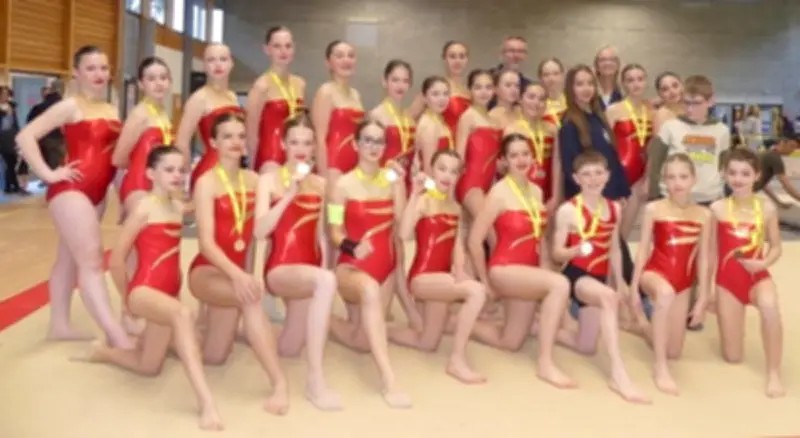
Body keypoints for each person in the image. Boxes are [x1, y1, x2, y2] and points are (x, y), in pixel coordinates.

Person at [82, 145, 223, 430]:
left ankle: (104, 353)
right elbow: (117, 260)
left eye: (182, 170)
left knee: (149, 367)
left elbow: (198, 226)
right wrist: (127, 300)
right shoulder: (143, 207)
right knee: (183, 315)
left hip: (168, 293)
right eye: (169, 170)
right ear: (150, 173)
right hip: (144, 290)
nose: (177, 175)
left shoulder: (177, 207)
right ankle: (206, 403)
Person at [16, 45, 133, 349]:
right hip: (70, 191)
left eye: (104, 68)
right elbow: (24, 136)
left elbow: (116, 159)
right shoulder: (70, 106)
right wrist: (49, 174)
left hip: (97, 194)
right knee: (92, 261)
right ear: (77, 72)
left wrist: (124, 198)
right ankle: (116, 335)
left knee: (68, 259)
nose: (99, 75)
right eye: (91, 68)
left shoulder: (111, 110)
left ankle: (59, 325)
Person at [188, 112, 289, 414]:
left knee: (215, 356)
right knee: (251, 300)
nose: (235, 142)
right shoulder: (206, 183)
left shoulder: (256, 180)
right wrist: (239, 277)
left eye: (240, 136)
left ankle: (169, 335)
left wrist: (252, 273)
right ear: (213, 142)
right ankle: (279, 384)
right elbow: (206, 242)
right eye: (227, 136)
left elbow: (260, 235)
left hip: (237, 273)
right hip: (208, 271)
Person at [467, 133, 574, 389]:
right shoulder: (498, 193)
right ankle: (546, 363)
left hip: (527, 272)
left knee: (510, 342)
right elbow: (474, 241)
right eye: (514, 155)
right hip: (503, 270)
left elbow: (539, 242)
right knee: (559, 284)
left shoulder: (537, 191)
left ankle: (456, 322)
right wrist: (486, 283)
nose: (521, 159)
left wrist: (544, 269)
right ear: (504, 161)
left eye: (525, 153)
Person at [253, 115, 341, 411]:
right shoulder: (268, 179)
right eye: (294, 142)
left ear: (315, 146)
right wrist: (290, 193)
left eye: (306, 142)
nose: (300, 148)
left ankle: (253, 331)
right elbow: (259, 231)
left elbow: (322, 236)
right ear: (282, 144)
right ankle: (316, 381)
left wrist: (325, 267)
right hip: (279, 268)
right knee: (326, 281)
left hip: (310, 272)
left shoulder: (320, 183)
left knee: (289, 349)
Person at [552, 150, 650, 404]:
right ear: (576, 178)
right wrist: (575, 249)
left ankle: (538, 324)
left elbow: (615, 249)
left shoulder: (615, 208)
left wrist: (621, 283)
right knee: (608, 299)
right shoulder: (568, 210)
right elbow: (556, 252)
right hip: (577, 274)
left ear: (607, 176)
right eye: (586, 174)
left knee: (586, 346)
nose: (593, 179)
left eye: (598, 173)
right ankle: (619, 375)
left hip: (599, 275)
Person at [327, 119, 412, 408]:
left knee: (363, 341)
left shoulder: (390, 180)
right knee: (370, 293)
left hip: (385, 267)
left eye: (379, 141)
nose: (373, 146)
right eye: (367, 140)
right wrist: (353, 246)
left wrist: (400, 185)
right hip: (352, 266)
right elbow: (334, 232)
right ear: (355, 144)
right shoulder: (342, 185)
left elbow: (401, 226)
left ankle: (324, 320)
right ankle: (389, 379)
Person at [389, 149, 487, 384]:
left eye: (454, 171)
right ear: (432, 170)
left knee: (428, 342)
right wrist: (413, 194)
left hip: (442, 281)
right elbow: (403, 234)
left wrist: (461, 269)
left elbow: (457, 247)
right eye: (442, 168)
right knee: (476, 291)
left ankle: (378, 331)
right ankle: (457, 360)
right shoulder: (424, 201)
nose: (447, 175)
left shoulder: (455, 207)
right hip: (422, 279)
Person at [629, 153, 711, 395]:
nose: (677, 183)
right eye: (671, 177)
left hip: (684, 282)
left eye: (683, 176)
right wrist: (634, 288)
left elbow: (704, 258)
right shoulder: (654, 209)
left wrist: (704, 296)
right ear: (664, 181)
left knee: (673, 350)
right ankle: (660, 367)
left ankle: (642, 325)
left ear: (694, 179)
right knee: (664, 295)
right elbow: (643, 249)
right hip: (656, 273)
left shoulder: (704, 215)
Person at [710, 147, 785, 398]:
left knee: (770, 307)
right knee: (733, 357)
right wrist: (709, 290)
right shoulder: (717, 209)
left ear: (757, 176)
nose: (738, 179)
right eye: (732, 173)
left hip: (757, 277)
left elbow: (775, 247)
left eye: (745, 173)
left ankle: (773, 372)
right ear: (724, 174)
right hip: (726, 282)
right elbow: (710, 253)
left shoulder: (767, 209)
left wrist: (764, 264)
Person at [27, 80, 65, 179]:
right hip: (59, 140)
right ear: (61, 90)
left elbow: (29, 122)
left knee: (47, 167)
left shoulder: (39, 107)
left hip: (42, 140)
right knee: (58, 167)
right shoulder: (65, 105)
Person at [750, 135, 800, 208]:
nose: (792, 150)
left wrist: (778, 202)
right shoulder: (774, 158)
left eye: (794, 148)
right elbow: (786, 185)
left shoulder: (768, 153)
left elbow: (762, 184)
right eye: (791, 146)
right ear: (782, 143)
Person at [488, 36, 532, 109]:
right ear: (502, 54)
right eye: (511, 51)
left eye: (520, 51)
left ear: (525, 56)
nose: (516, 55)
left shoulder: (528, 86)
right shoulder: (487, 79)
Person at [0, 85, 23, 194]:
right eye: (3, 93)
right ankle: (13, 186)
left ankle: (9, 186)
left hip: (11, 136)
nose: (5, 96)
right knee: (9, 162)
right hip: (2, 138)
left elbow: (15, 123)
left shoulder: (11, 106)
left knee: (12, 162)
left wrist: (18, 135)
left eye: (6, 94)